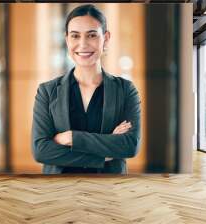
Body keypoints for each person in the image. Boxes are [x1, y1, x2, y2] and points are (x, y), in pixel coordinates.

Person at [32, 4, 141, 174]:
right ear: (67, 40)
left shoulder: (126, 90)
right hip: (57, 191)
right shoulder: (47, 91)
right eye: (75, 36)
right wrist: (104, 152)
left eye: (92, 35)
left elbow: (130, 145)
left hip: (110, 191)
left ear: (106, 38)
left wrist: (71, 138)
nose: (83, 44)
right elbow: (41, 150)